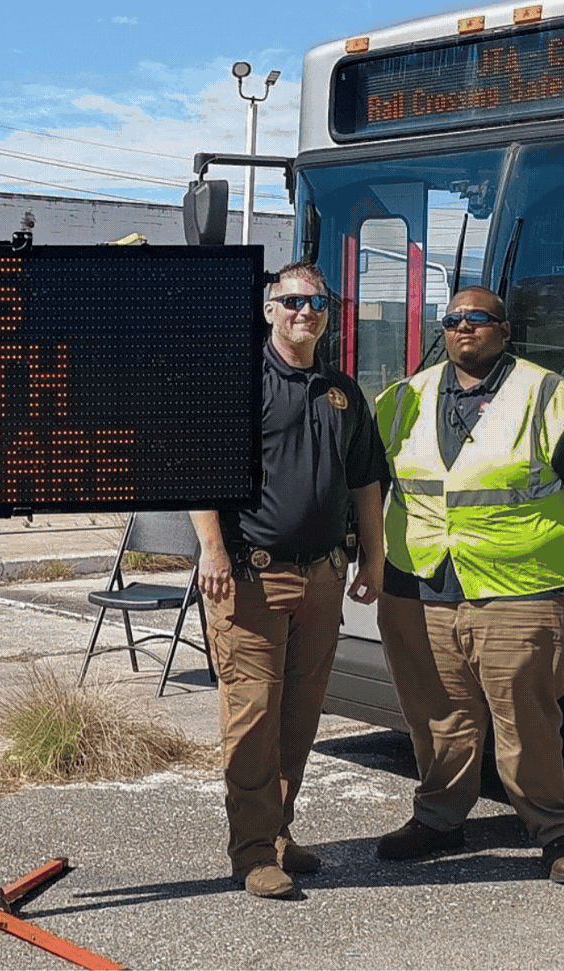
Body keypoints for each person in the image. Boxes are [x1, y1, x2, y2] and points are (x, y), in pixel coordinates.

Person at [372, 285, 564, 884]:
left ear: (504, 331)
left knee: (526, 721)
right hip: (420, 585)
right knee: (437, 716)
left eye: (479, 319)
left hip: (522, 589)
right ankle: (439, 820)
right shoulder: (402, 397)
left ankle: (555, 831)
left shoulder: (547, 396)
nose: (464, 327)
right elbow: (369, 484)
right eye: (453, 319)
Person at [190, 261, 389, 900]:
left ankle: (277, 832)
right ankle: (250, 854)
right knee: (252, 717)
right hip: (250, 576)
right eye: (295, 301)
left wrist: (375, 558)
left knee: (300, 716)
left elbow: (365, 481)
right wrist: (213, 551)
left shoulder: (343, 393)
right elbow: (200, 474)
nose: (307, 312)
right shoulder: (236, 383)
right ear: (271, 309)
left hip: (325, 576)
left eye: (319, 303)